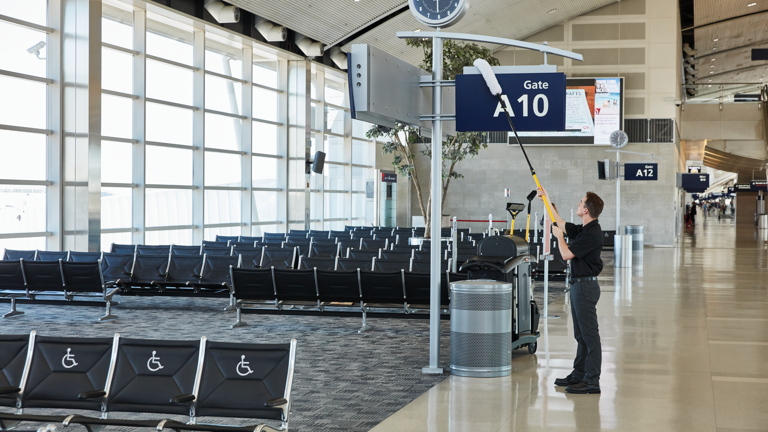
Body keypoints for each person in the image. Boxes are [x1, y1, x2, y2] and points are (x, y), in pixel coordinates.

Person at [538, 187, 604, 394]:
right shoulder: (585, 228)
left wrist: (559, 237)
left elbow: (566, 254)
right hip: (578, 285)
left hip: (585, 287)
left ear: (586, 210)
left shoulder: (592, 233)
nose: (578, 203)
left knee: (590, 336)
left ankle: (592, 381)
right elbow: (559, 223)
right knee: (581, 335)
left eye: (580, 202)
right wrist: (547, 199)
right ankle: (579, 374)